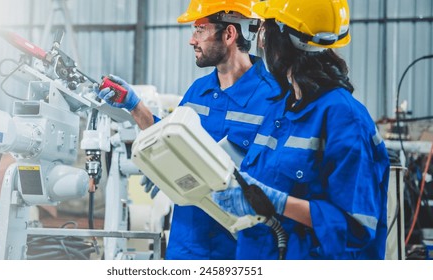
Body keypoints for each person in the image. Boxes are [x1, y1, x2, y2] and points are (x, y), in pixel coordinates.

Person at [98, 0, 282, 259]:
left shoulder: (274, 98)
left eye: (200, 30)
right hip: (187, 244)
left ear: (229, 34)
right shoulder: (198, 91)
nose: (192, 40)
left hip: (240, 249)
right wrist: (134, 104)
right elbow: (171, 139)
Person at [212, 0, 391, 259]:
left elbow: (356, 228)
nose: (261, 42)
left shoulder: (343, 117)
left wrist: (277, 203)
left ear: (285, 39)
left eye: (266, 29)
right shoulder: (282, 108)